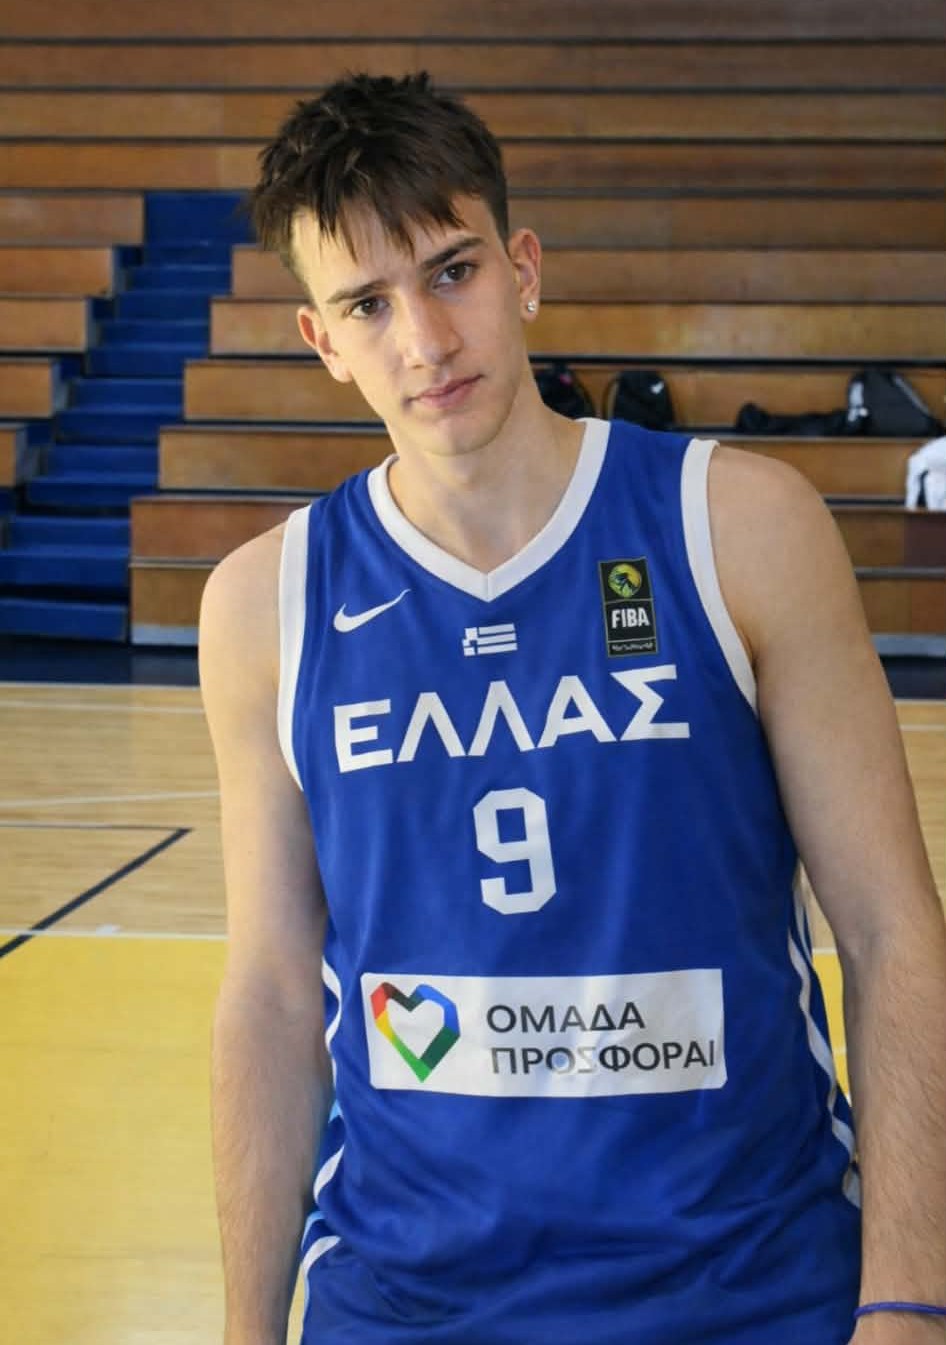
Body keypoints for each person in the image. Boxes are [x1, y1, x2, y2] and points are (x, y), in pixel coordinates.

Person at [198, 73, 946, 1345]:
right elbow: (271, 994)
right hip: (405, 1300)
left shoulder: (740, 526)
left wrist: (910, 1300)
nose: (424, 341)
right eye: (368, 304)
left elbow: (889, 931)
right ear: (321, 342)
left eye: (451, 272)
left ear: (523, 269)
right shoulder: (264, 603)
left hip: (749, 1286)